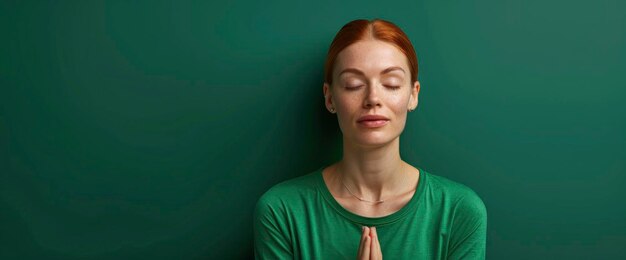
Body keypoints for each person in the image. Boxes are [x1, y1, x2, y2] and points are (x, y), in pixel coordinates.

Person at [253, 18, 487, 259]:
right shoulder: (281, 211)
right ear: (330, 98)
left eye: (391, 83)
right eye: (353, 84)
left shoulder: (459, 211)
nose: (373, 98)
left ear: (413, 95)